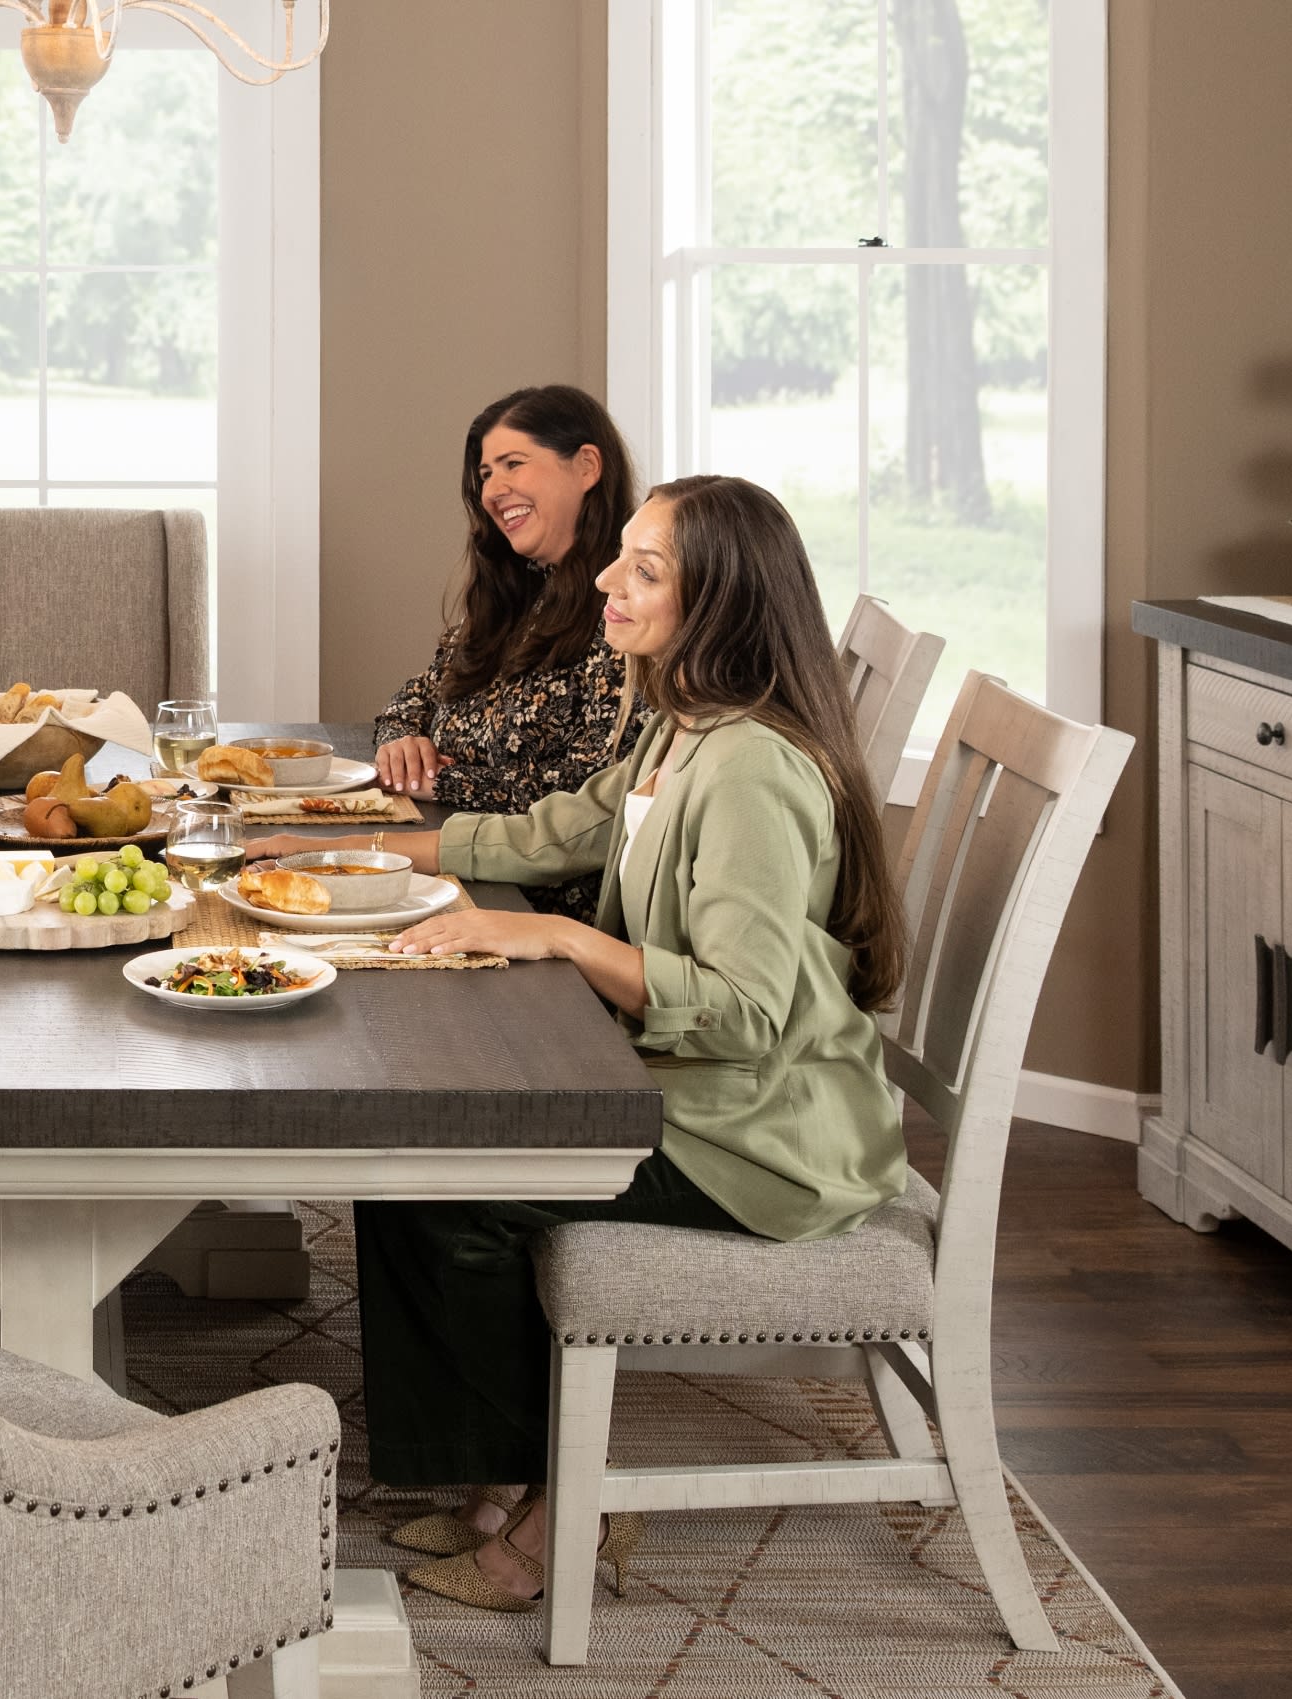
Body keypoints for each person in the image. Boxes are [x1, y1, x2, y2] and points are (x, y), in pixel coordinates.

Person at [252, 475, 911, 1613]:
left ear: (723, 607)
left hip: (757, 1140)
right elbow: (557, 826)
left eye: (645, 570)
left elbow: (746, 1007)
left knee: (457, 1188)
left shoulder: (750, 769)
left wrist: (549, 932)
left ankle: (563, 1506)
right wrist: (362, 848)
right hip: (695, 1093)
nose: (608, 578)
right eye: (626, 558)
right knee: (410, 1165)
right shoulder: (681, 721)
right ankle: (500, 1475)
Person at [368, 385, 645, 918]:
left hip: (542, 908)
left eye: (512, 464)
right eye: (485, 475)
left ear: (587, 466)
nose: (493, 489)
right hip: (471, 868)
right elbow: (422, 690)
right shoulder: (524, 588)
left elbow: (589, 800)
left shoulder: (628, 611)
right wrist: (402, 737)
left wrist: (442, 781)